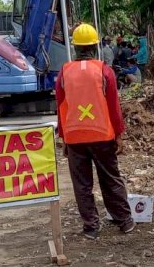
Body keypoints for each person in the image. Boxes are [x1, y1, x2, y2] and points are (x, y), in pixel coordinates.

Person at [55, 23, 134, 239]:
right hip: (102, 136)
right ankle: (124, 221)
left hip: (75, 137)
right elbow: (114, 108)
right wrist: (119, 134)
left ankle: (91, 227)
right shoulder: (104, 71)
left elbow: (61, 107)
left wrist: (63, 138)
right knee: (111, 178)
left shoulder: (64, 72)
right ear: (95, 46)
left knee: (82, 185)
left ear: (75, 48)